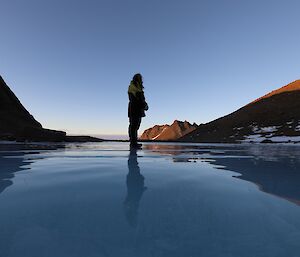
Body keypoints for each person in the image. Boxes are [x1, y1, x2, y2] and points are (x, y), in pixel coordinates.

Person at [128, 73, 148, 148]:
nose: (141, 80)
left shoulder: (137, 87)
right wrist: (144, 105)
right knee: (133, 126)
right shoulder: (133, 87)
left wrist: (145, 105)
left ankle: (134, 142)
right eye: (140, 78)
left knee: (135, 126)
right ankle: (133, 143)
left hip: (136, 109)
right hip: (134, 109)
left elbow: (141, 99)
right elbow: (135, 100)